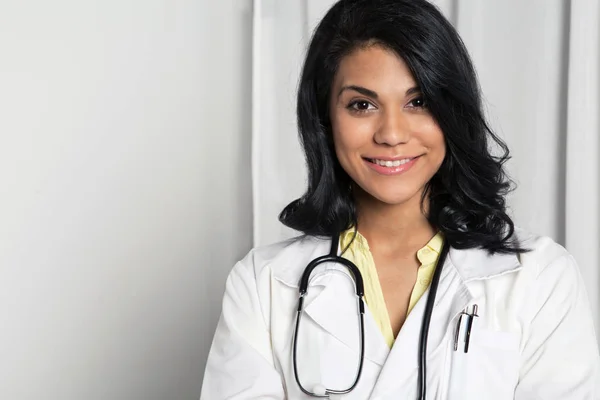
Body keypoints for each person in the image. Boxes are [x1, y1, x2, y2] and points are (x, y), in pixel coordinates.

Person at [200, 0, 600, 398]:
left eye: (418, 101)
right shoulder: (262, 284)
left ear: (452, 112)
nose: (391, 133)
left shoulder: (541, 278)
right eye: (362, 105)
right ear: (325, 119)